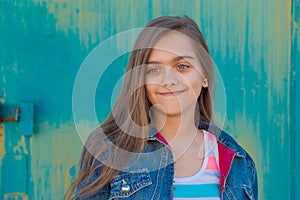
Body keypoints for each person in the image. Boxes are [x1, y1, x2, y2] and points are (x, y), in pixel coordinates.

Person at [65, 16, 258, 200]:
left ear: (205, 75)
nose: (169, 81)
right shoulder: (108, 150)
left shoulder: (238, 162)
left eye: (182, 66)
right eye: (154, 70)